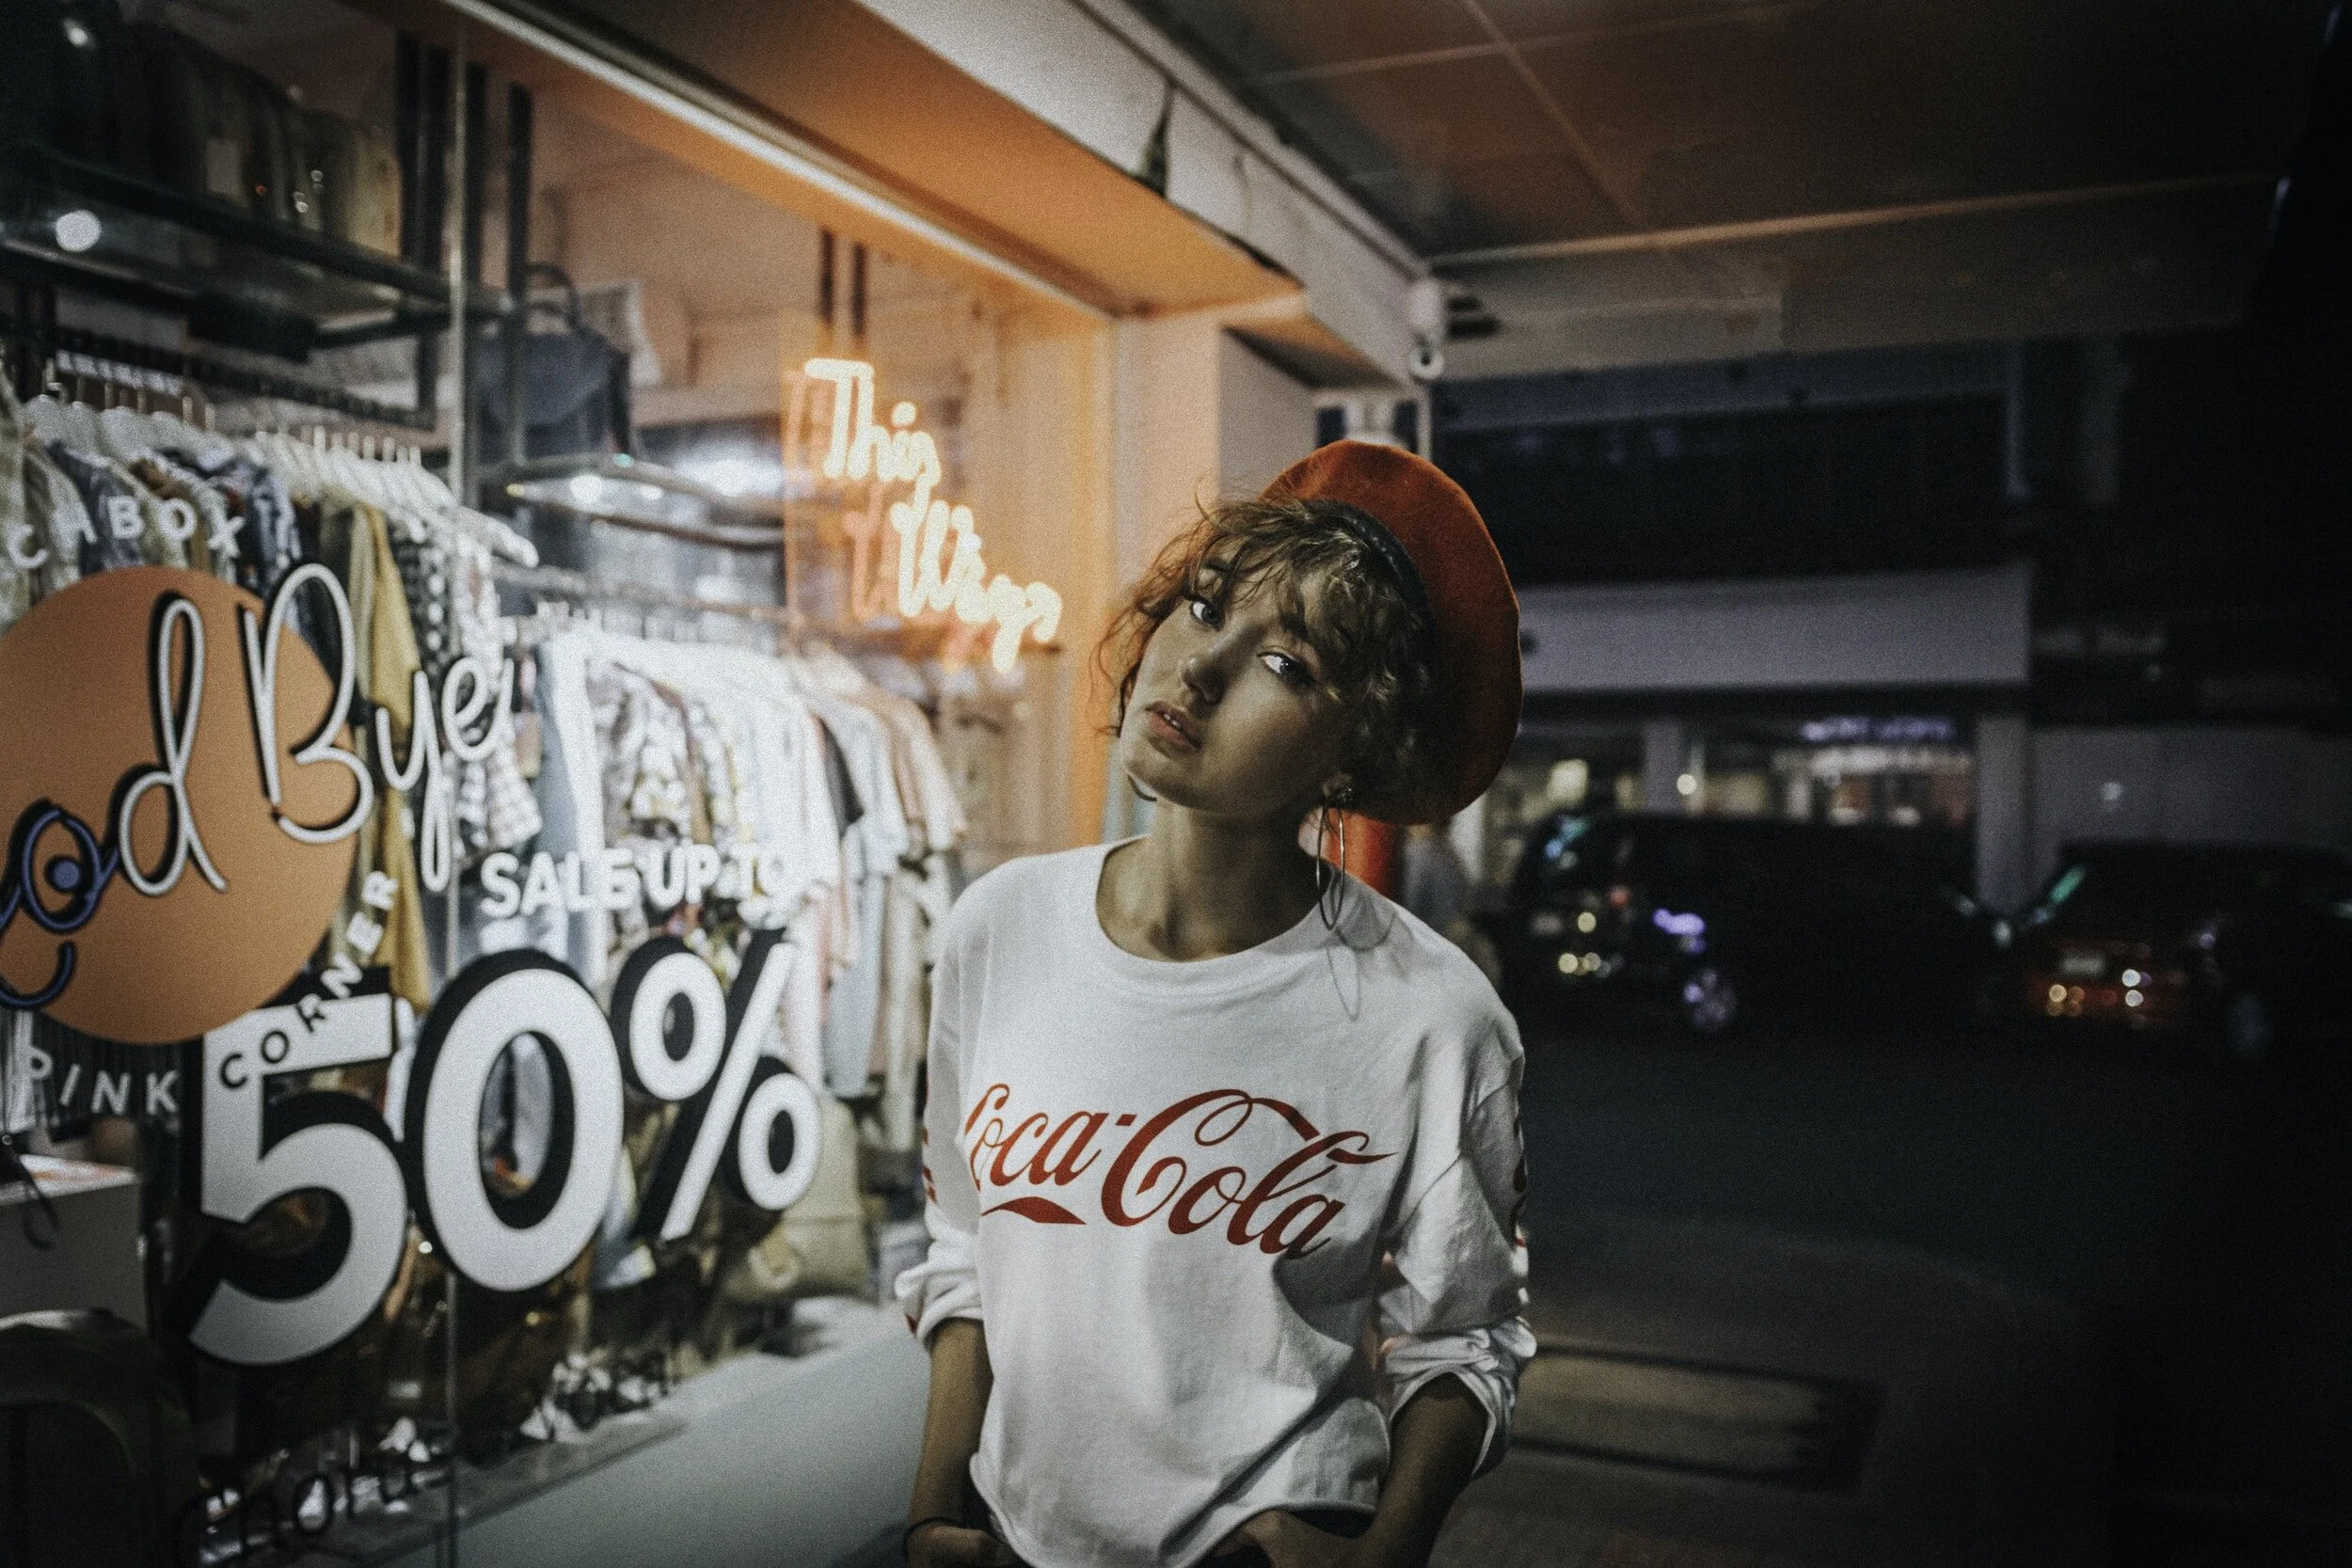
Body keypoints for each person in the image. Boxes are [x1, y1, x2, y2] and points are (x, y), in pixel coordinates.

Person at [898, 442, 1533, 1568]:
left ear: (1355, 752)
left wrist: (1386, 1550)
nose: (1194, 671)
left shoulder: (1434, 1017)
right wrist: (933, 1512)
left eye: (1286, 665)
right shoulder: (999, 928)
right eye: (1200, 609)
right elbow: (963, 1247)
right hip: (1011, 1539)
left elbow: (1464, 1339)